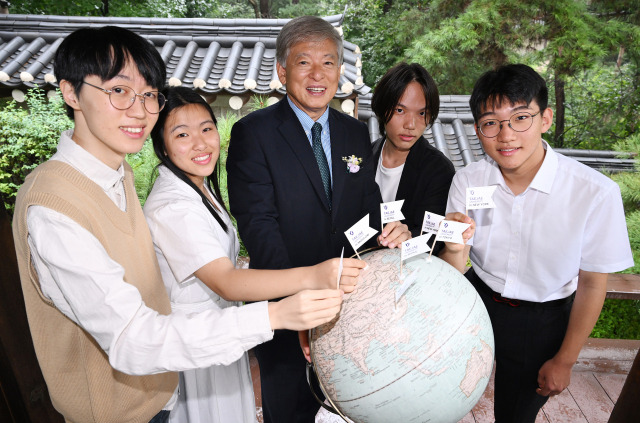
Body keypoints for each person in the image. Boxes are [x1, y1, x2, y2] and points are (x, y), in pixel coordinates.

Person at [11, 26, 344, 423]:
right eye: (118, 91)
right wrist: (278, 313)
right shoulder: (56, 205)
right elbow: (131, 339)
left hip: (164, 383)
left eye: (149, 94)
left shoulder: (117, 178)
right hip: (119, 407)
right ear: (70, 93)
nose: (139, 110)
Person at [226, 15, 411, 423]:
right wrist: (301, 310)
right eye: (303, 62)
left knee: (350, 408)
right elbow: (259, 228)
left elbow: (367, 202)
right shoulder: (252, 134)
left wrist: (392, 227)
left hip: (349, 306)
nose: (317, 74)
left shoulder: (354, 132)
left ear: (340, 71)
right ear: (282, 70)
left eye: (328, 62)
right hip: (286, 308)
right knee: (290, 410)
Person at [143, 86, 365, 423]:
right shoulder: (174, 206)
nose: (201, 143)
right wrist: (315, 275)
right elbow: (227, 282)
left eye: (206, 128)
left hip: (220, 331)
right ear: (161, 143)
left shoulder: (197, 187)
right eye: (182, 134)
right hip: (197, 340)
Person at [446, 63, 634, 422]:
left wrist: (565, 359)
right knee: (438, 390)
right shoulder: (468, 181)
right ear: (477, 130)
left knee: (515, 416)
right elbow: (455, 266)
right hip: (477, 298)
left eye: (520, 118)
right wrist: (455, 247)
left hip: (542, 318)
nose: (506, 136)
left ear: (545, 118)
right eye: (491, 123)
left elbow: (593, 282)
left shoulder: (594, 193)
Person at [371, 62, 455, 255]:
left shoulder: (439, 170)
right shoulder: (364, 157)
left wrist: (409, 239)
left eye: (422, 113)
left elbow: (434, 238)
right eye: (400, 110)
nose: (411, 124)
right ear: (383, 109)